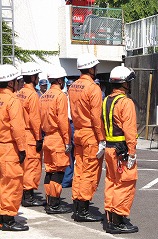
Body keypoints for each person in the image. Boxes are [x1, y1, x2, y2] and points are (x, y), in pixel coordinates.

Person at [68, 53, 106, 222]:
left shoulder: (73, 86)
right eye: (95, 67)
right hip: (90, 134)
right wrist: (102, 139)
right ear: (91, 68)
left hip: (78, 132)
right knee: (90, 172)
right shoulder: (93, 88)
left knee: (80, 169)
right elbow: (96, 117)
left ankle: (77, 204)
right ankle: (83, 209)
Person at [103, 65, 139, 234]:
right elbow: (130, 130)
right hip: (122, 151)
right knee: (125, 183)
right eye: (129, 82)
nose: (130, 85)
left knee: (111, 182)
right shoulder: (125, 102)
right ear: (124, 84)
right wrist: (132, 152)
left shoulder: (106, 100)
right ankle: (118, 221)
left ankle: (110, 217)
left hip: (110, 148)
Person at [39, 66, 73, 214]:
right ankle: (54, 203)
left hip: (47, 137)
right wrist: (67, 141)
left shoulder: (43, 96)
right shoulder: (60, 96)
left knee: (50, 171)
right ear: (59, 80)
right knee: (58, 172)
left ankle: (49, 201)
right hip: (58, 137)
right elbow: (63, 122)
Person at [0, 64, 29, 231]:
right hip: (9, 147)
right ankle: (8, 219)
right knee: (12, 183)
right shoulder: (12, 101)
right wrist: (23, 148)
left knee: (2, 183)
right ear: (10, 83)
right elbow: (17, 127)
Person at [17, 62, 45, 207]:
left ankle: (24, 194)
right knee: (32, 165)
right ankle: (28, 196)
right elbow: (35, 119)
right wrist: (39, 137)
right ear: (33, 77)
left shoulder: (20, 93)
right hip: (30, 134)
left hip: (22, 133)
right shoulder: (32, 95)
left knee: (24, 165)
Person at [61, 79, 75, 188]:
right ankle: (66, 180)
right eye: (68, 85)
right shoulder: (65, 97)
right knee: (69, 153)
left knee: (73, 153)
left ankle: (68, 179)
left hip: (72, 124)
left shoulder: (70, 97)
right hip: (69, 123)